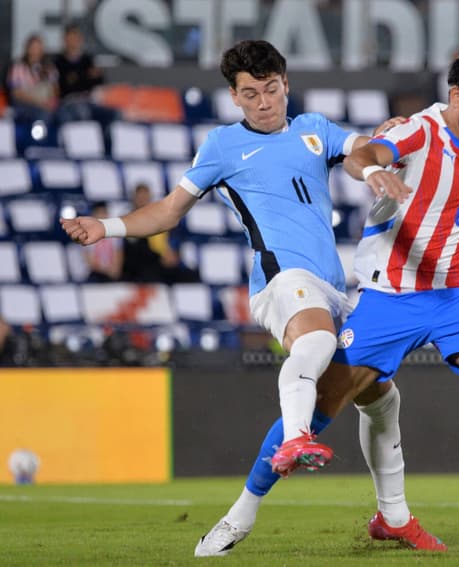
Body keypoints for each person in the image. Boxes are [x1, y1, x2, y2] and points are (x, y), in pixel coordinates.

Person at [207, 46, 459, 560]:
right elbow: (363, 154)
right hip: (393, 295)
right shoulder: (419, 130)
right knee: (322, 408)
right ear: (456, 96)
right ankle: (241, 513)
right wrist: (374, 171)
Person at [60, 39, 410, 526]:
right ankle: (295, 438)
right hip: (279, 279)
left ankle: (394, 519)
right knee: (316, 341)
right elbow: (168, 210)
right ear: (234, 96)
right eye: (250, 94)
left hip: (332, 285)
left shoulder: (313, 130)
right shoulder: (222, 147)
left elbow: (356, 149)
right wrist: (109, 226)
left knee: (381, 395)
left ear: (286, 84)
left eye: (270, 90)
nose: (263, 103)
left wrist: (379, 150)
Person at [120, 183, 199, 284]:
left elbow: (172, 239)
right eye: (141, 197)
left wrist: (175, 255)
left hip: (164, 262)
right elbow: (135, 249)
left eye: (146, 197)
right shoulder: (129, 219)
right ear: (134, 198)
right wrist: (160, 258)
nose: (143, 201)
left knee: (192, 276)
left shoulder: (158, 217)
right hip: (145, 265)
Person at [6, 34, 59, 123]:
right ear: (27, 49)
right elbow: (17, 94)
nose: (35, 51)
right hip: (26, 105)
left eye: (38, 48)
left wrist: (51, 102)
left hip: (45, 104)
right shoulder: (18, 67)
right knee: (42, 115)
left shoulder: (49, 68)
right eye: (33, 47)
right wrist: (40, 103)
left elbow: (55, 90)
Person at [83, 201, 123, 282]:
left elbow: (118, 256)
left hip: (111, 273)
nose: (102, 217)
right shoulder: (86, 236)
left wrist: (114, 270)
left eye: (104, 213)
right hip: (96, 273)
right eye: (99, 213)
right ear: (93, 216)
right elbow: (90, 262)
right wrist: (106, 270)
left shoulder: (115, 235)